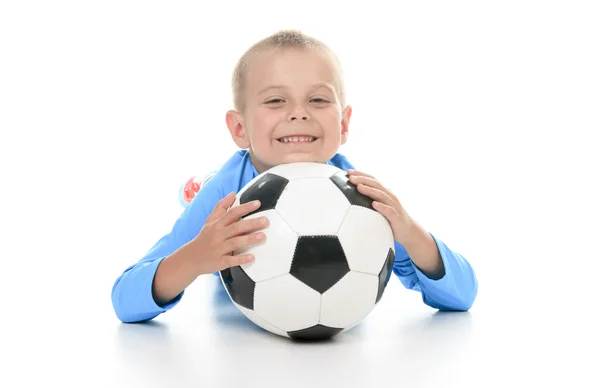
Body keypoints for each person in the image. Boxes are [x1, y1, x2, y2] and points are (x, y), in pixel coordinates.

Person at [111, 29, 478, 324]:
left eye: (318, 100)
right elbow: (125, 300)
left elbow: (463, 297)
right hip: (215, 189)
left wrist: (411, 234)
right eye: (275, 101)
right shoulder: (225, 195)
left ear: (344, 123)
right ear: (240, 128)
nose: (299, 114)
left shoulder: (360, 197)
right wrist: (193, 258)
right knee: (199, 195)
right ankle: (194, 188)